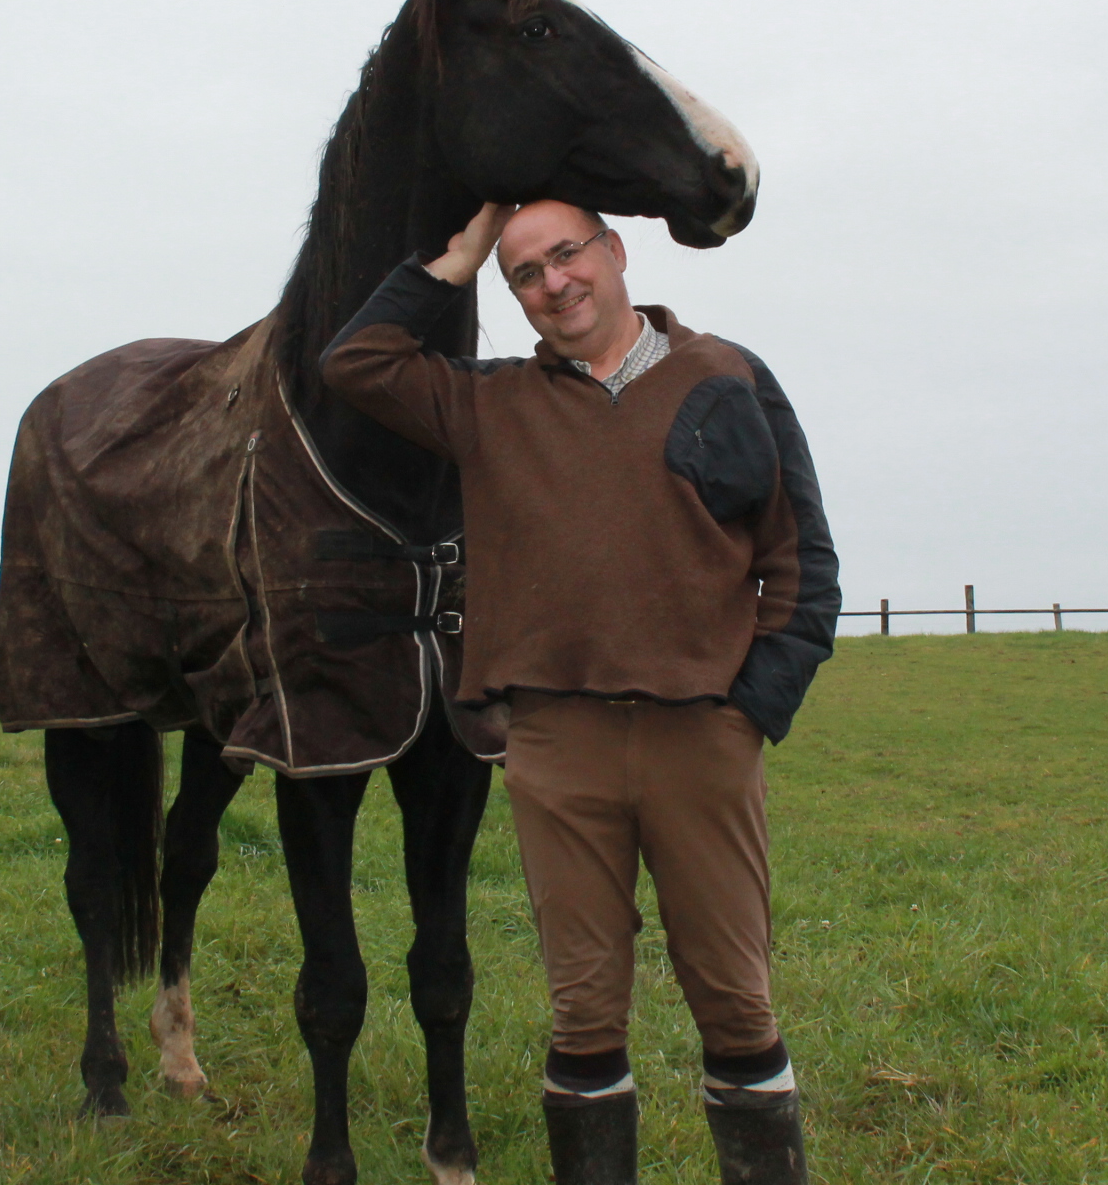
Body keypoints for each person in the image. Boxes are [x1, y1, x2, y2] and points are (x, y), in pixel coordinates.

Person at [321, 199, 839, 1185]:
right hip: (558, 744)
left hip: (702, 737)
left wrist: (751, 709)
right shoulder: (489, 403)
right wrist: (456, 257)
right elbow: (357, 363)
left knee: (735, 1000)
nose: (554, 283)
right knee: (584, 1011)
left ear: (616, 252)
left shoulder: (727, 377)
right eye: (524, 273)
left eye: (568, 255)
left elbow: (800, 557)